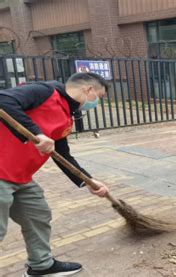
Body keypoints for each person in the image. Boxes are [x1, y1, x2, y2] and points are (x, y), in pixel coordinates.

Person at [0, 73, 110, 277]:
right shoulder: (44, 91)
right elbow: (3, 100)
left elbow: (62, 154)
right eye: (99, 97)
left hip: (20, 176)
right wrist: (37, 132)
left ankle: (41, 266)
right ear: (89, 90)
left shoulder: (66, 114)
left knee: (37, 215)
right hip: (1, 170)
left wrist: (88, 181)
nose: (96, 103)